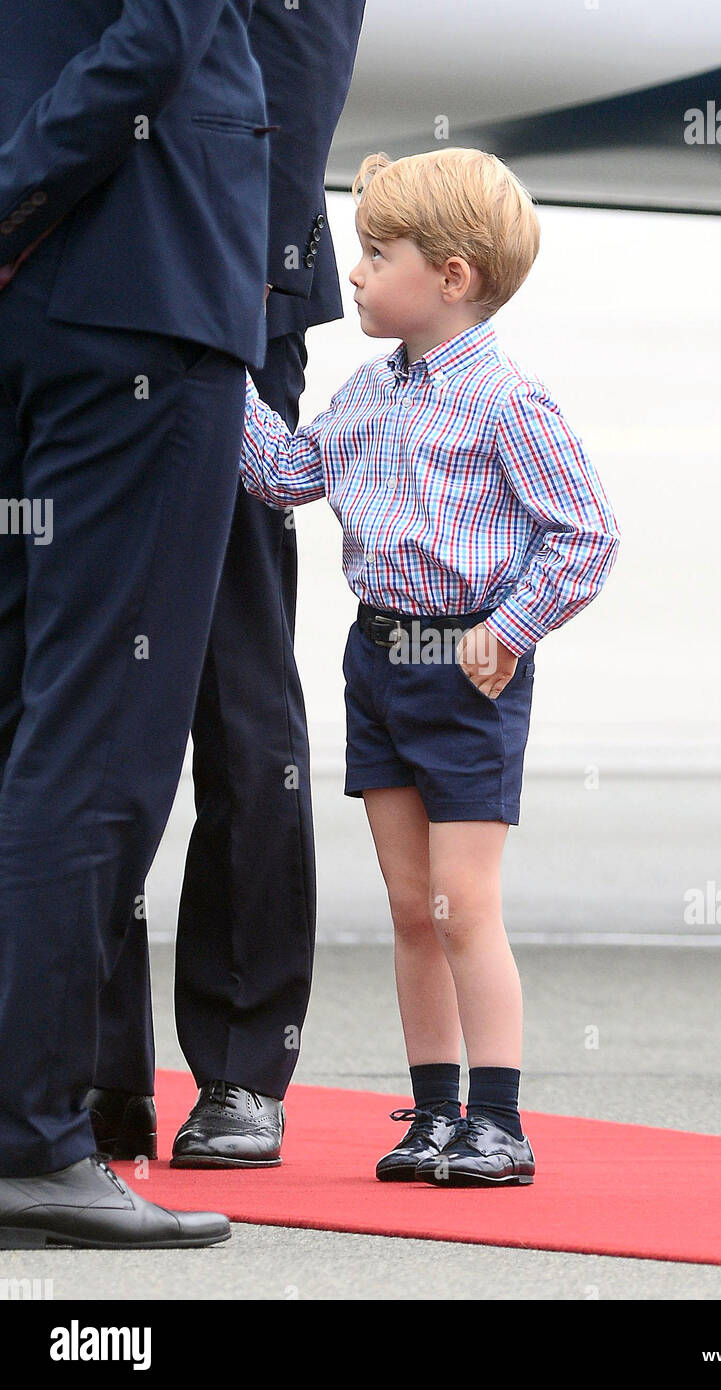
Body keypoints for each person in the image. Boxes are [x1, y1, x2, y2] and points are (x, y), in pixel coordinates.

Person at [239, 148, 619, 1185]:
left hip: (465, 666)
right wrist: (217, 367)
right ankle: (433, 1113)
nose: (353, 275)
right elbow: (282, 477)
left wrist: (510, 627)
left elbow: (582, 534)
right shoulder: (367, 392)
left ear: (450, 276)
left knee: (462, 901)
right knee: (410, 903)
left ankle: (498, 1120)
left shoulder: (507, 402)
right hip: (378, 657)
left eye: (375, 254)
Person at [0, 0, 270, 1246]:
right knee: (98, 728)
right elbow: (161, 34)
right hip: (133, 286)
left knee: (25, 717)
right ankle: (25, 1141)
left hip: (45, 303)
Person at [86, 0, 367, 1172]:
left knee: (235, 678)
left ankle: (245, 1067)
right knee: (74, 686)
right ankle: (90, 1070)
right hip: (81, 283)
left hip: (225, 288)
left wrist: (234, 291)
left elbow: (294, 67)